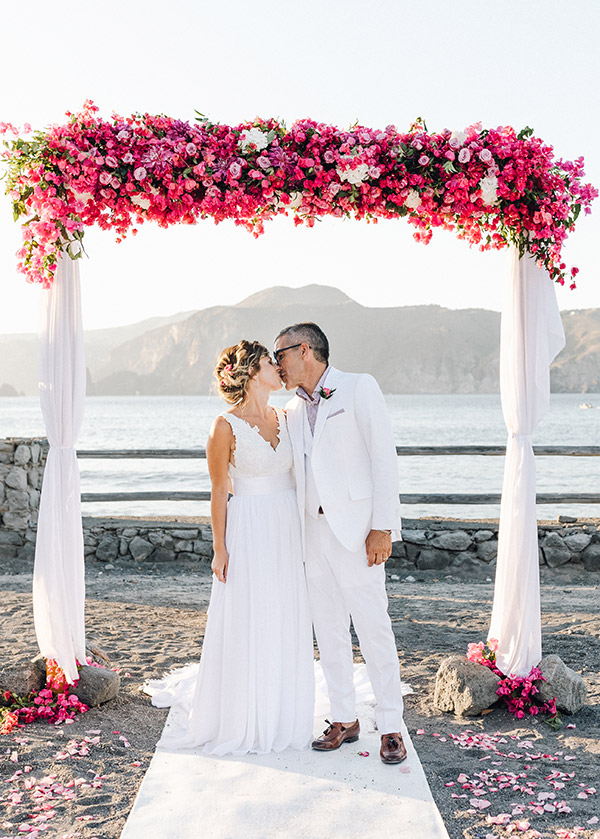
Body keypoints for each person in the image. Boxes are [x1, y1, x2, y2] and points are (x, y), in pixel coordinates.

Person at [149, 340, 314, 755]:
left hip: (287, 527)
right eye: (268, 362)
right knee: (250, 613)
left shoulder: (288, 415)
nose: (278, 367)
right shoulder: (223, 426)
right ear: (251, 373)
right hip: (249, 527)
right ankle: (246, 714)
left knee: (283, 612)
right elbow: (219, 490)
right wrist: (219, 548)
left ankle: (281, 709)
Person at [274, 322, 406, 764]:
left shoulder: (358, 387)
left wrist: (383, 526)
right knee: (327, 630)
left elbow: (383, 457)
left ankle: (390, 725)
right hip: (312, 535)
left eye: (282, 355)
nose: (278, 365)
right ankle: (344, 718)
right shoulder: (290, 410)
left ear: (305, 350)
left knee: (373, 628)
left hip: (358, 533)